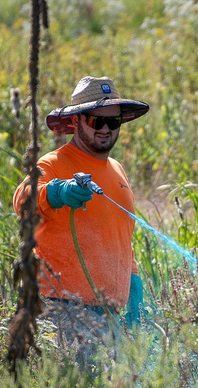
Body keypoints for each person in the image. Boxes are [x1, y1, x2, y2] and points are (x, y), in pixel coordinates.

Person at [12, 75, 148, 357]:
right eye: (97, 121)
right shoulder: (55, 162)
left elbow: (120, 236)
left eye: (114, 121)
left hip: (110, 316)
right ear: (76, 122)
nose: (106, 129)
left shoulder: (117, 170)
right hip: (62, 308)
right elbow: (23, 198)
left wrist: (132, 284)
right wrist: (57, 191)